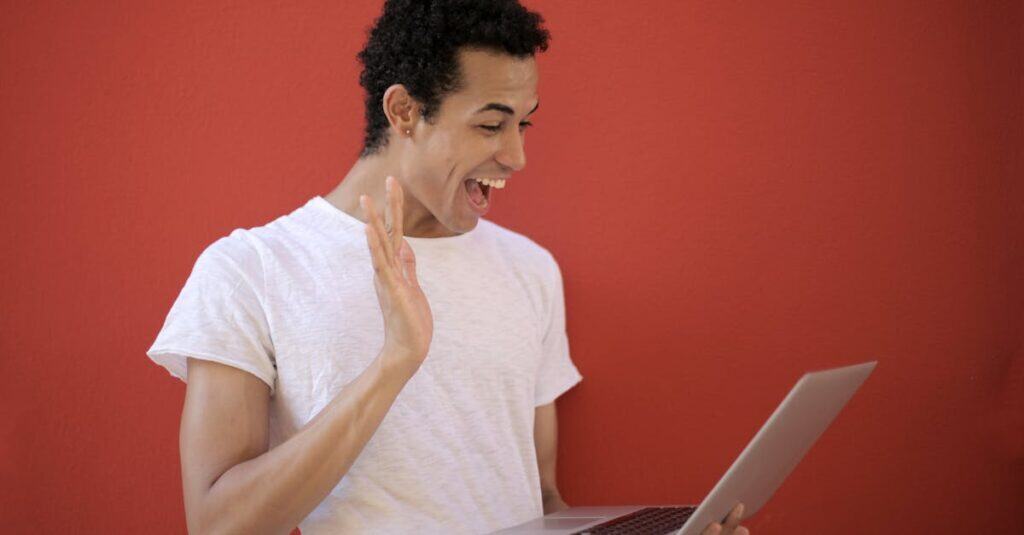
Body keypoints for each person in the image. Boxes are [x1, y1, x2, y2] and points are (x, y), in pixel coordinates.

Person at [146, 1, 750, 534]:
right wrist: (395, 363)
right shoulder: (251, 270)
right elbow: (218, 525)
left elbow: (542, 503)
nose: (515, 156)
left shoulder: (530, 270)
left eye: (524, 122)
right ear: (405, 111)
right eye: (490, 124)